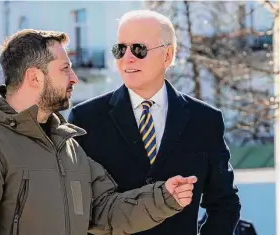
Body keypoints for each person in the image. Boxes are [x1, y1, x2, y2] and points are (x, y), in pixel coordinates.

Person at [0, 29, 197, 235]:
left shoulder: (67, 147)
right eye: (64, 69)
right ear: (34, 77)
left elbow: (103, 211)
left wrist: (163, 197)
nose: (74, 77)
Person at [68, 10, 241, 235]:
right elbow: (77, 208)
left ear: (167, 56)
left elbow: (224, 202)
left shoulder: (205, 120)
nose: (127, 58)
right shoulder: (85, 119)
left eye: (138, 49)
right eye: (120, 49)